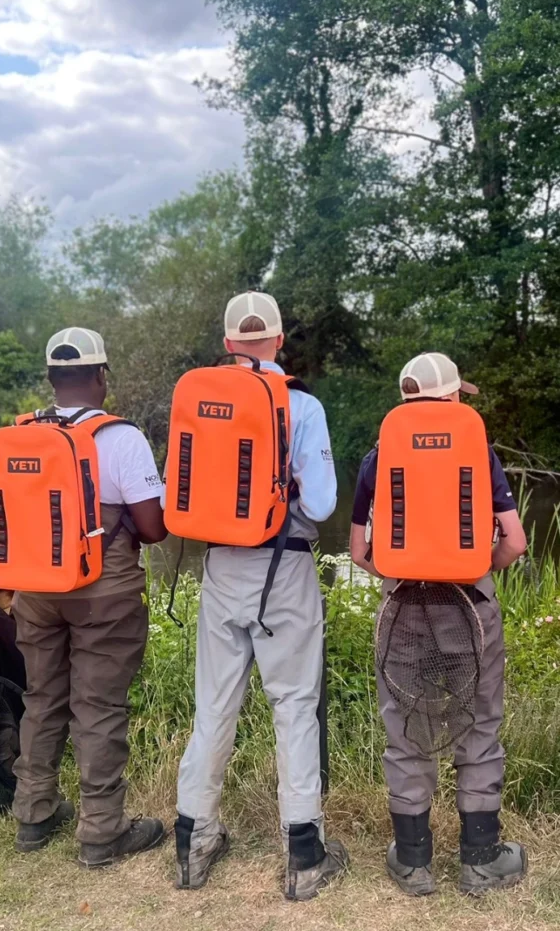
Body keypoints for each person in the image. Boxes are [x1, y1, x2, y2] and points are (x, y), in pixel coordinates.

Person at [173, 292, 348, 901]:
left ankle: (193, 842)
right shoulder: (301, 405)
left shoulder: (200, 400)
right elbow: (321, 505)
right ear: (278, 340)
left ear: (227, 344)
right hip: (285, 565)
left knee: (213, 706)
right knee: (294, 706)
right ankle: (303, 855)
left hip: (221, 567)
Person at [349, 352, 528, 897]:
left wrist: (403, 574)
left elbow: (360, 551)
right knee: (480, 724)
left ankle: (413, 862)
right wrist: (475, 570)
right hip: (469, 607)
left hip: (402, 607)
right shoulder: (478, 452)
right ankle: (480, 859)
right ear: (450, 398)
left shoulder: (378, 457)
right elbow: (516, 542)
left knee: (406, 726)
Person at [11, 327, 170, 868]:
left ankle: (33, 813)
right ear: (101, 376)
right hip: (103, 591)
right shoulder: (121, 438)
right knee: (98, 706)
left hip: (36, 587)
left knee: (41, 696)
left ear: (51, 379)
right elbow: (153, 529)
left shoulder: (23, 434)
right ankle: (102, 829)